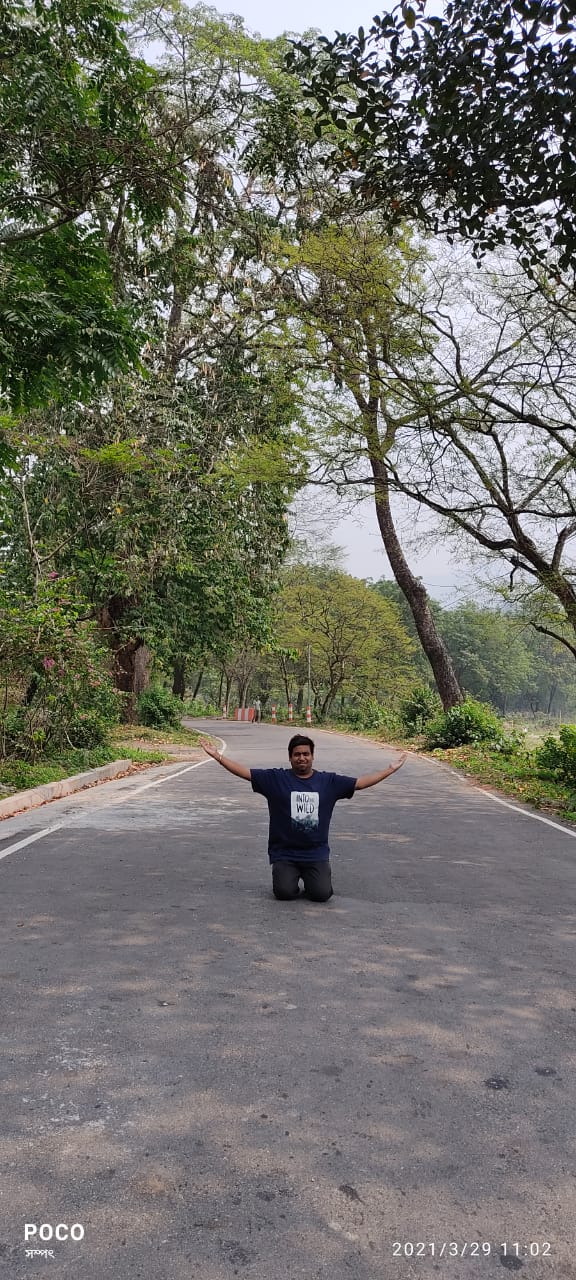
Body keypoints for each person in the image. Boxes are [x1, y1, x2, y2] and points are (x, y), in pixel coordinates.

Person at [200, 733, 407, 903]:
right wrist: (218, 756)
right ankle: (290, 878)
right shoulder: (276, 779)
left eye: (306, 754)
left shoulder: (328, 782)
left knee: (321, 895)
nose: (302, 758)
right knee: (284, 893)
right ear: (290, 757)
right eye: (297, 754)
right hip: (285, 853)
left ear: (312, 756)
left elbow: (359, 783)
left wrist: (389, 770)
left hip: (315, 853)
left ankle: (314, 880)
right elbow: (246, 773)